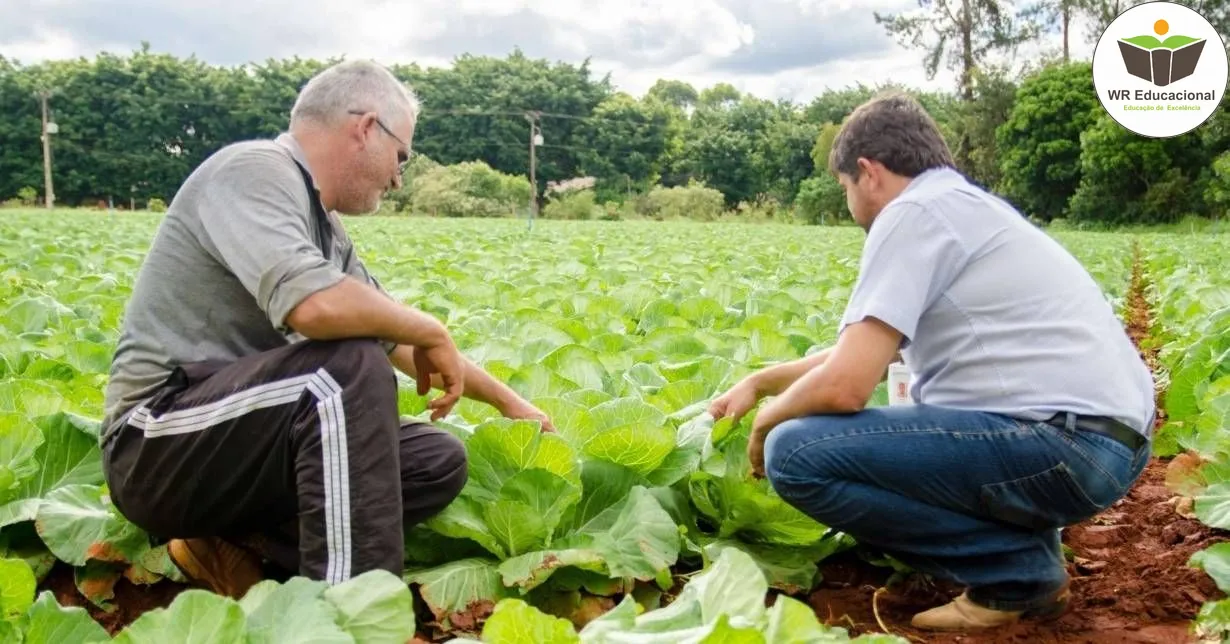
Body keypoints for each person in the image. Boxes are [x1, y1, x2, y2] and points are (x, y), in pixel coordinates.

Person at [99, 60, 554, 598]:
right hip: (154, 443)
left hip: (231, 445)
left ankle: (233, 548)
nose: (399, 176)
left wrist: (510, 404)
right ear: (365, 128)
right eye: (401, 155)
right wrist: (430, 326)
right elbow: (313, 307)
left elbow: (398, 338)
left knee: (434, 461)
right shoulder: (253, 170)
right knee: (342, 370)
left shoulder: (324, 228)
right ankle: (349, 611)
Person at [708, 92, 1154, 632]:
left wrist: (766, 420)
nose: (849, 201)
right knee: (859, 433)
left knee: (796, 452)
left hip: (1062, 445)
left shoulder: (912, 213)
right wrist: (761, 380)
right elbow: (868, 351)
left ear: (868, 172)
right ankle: (1023, 556)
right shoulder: (959, 206)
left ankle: (1018, 573)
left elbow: (847, 386)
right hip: (1104, 445)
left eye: (844, 186)